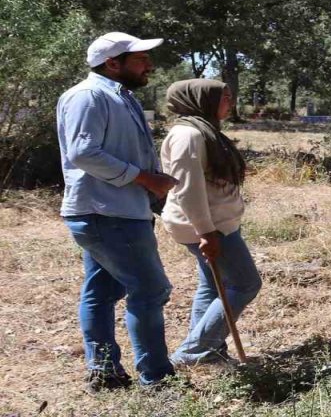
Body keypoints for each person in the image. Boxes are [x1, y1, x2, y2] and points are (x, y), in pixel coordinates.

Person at [57, 32, 177, 390]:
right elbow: (83, 153)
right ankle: (156, 378)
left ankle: (105, 372)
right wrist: (143, 179)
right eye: (140, 59)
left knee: (103, 291)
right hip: (107, 213)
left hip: (116, 211)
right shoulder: (89, 96)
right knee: (151, 290)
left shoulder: (118, 97)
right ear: (113, 63)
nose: (149, 66)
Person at [160, 79, 261, 368]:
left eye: (230, 95)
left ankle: (210, 351)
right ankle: (193, 352)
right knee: (245, 284)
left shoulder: (204, 131)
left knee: (212, 286)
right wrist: (206, 232)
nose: (230, 101)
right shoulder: (189, 136)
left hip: (217, 223)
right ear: (201, 100)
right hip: (208, 226)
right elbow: (187, 188)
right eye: (224, 97)